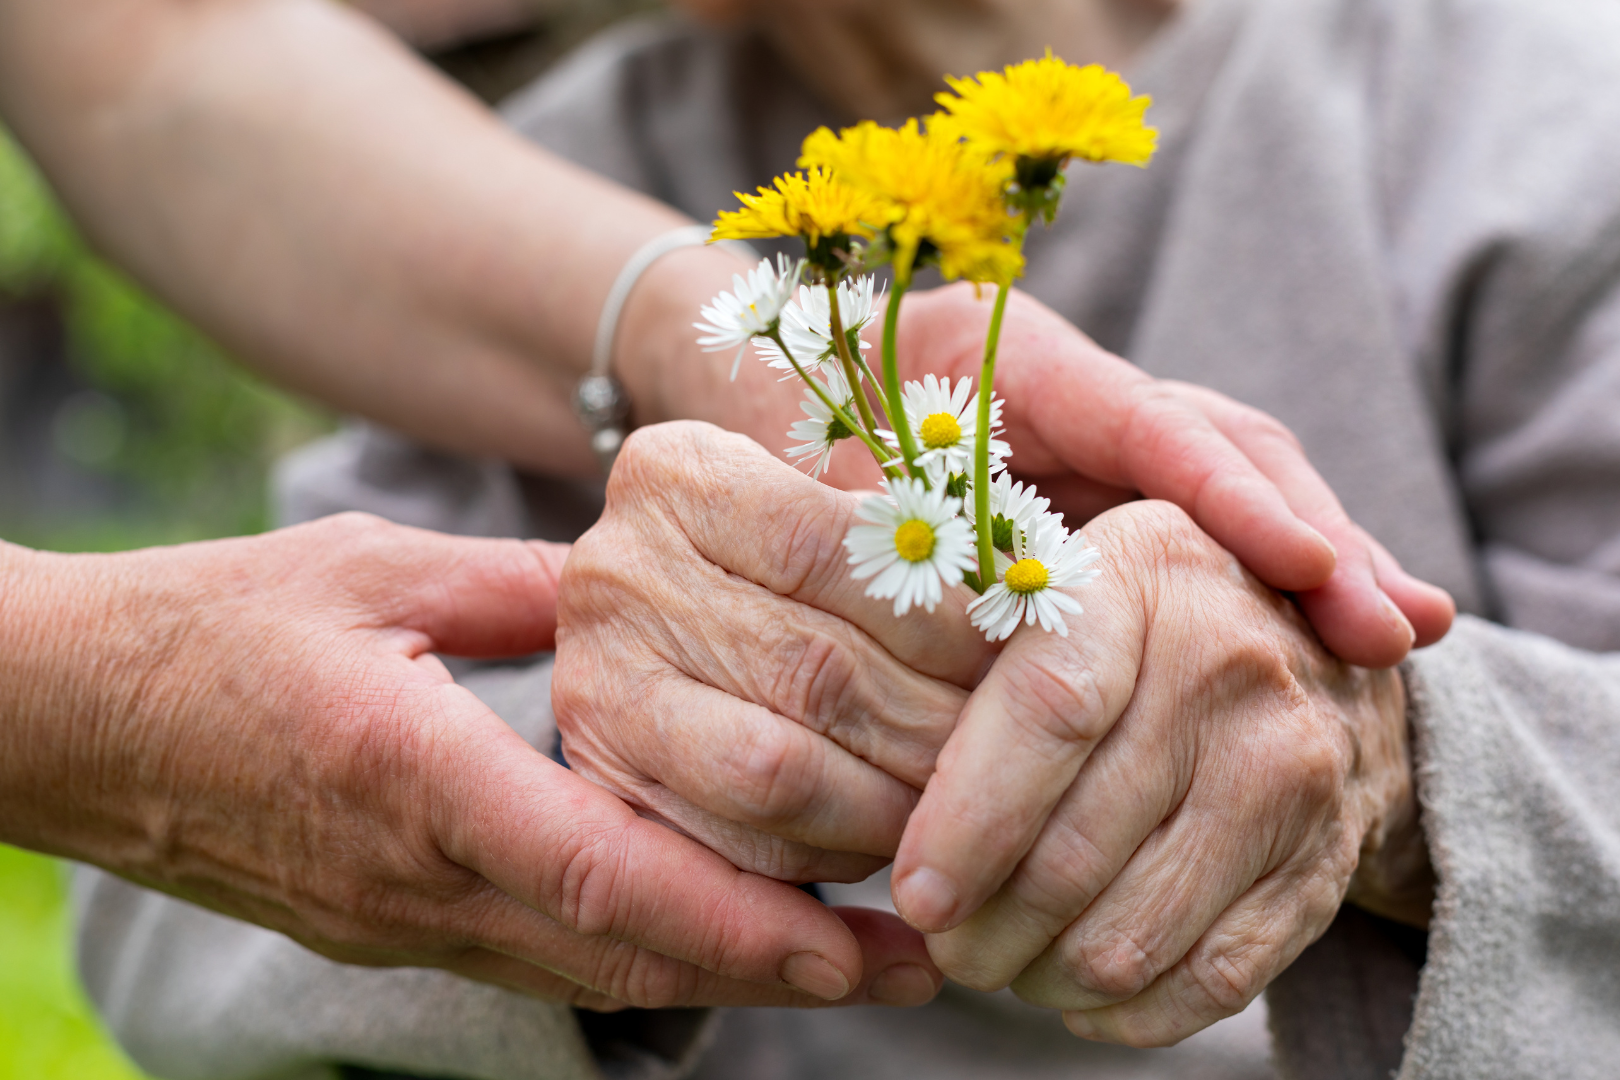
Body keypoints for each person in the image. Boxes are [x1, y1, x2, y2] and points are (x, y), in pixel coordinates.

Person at [69, 0, 1620, 1077]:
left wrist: (1401, 763)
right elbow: (160, 918)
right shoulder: (520, 198)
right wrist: (603, 778)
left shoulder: (1526, 121)